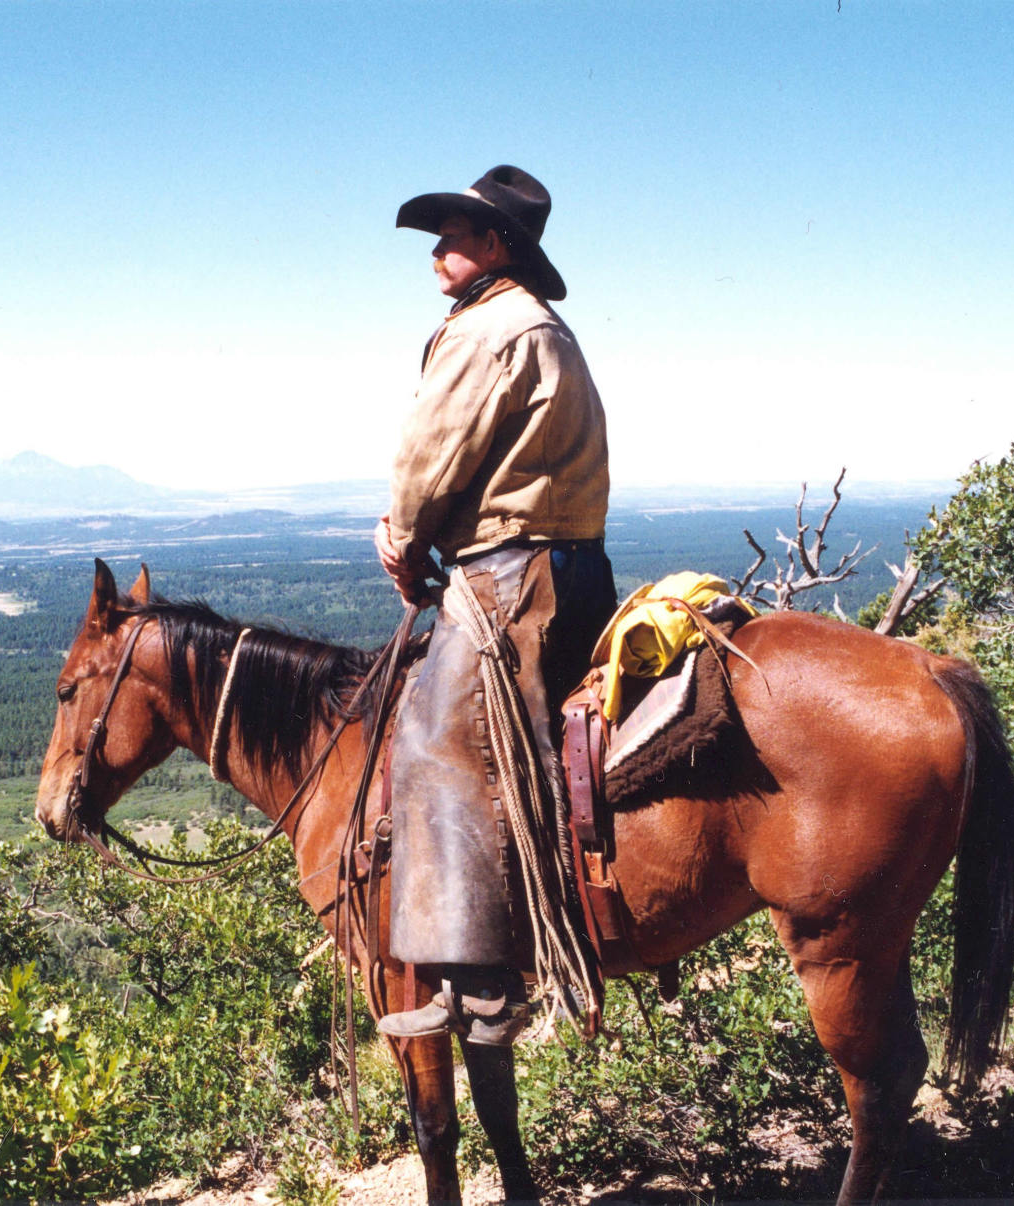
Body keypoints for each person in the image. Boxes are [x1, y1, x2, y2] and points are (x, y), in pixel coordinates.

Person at [374, 165, 617, 1044]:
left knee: (436, 741)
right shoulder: (544, 325)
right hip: (574, 563)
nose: (437, 249)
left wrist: (403, 541)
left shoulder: (488, 327)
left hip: (513, 575)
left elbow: (431, 455)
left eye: (454, 232)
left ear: (496, 246)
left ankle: (482, 985)